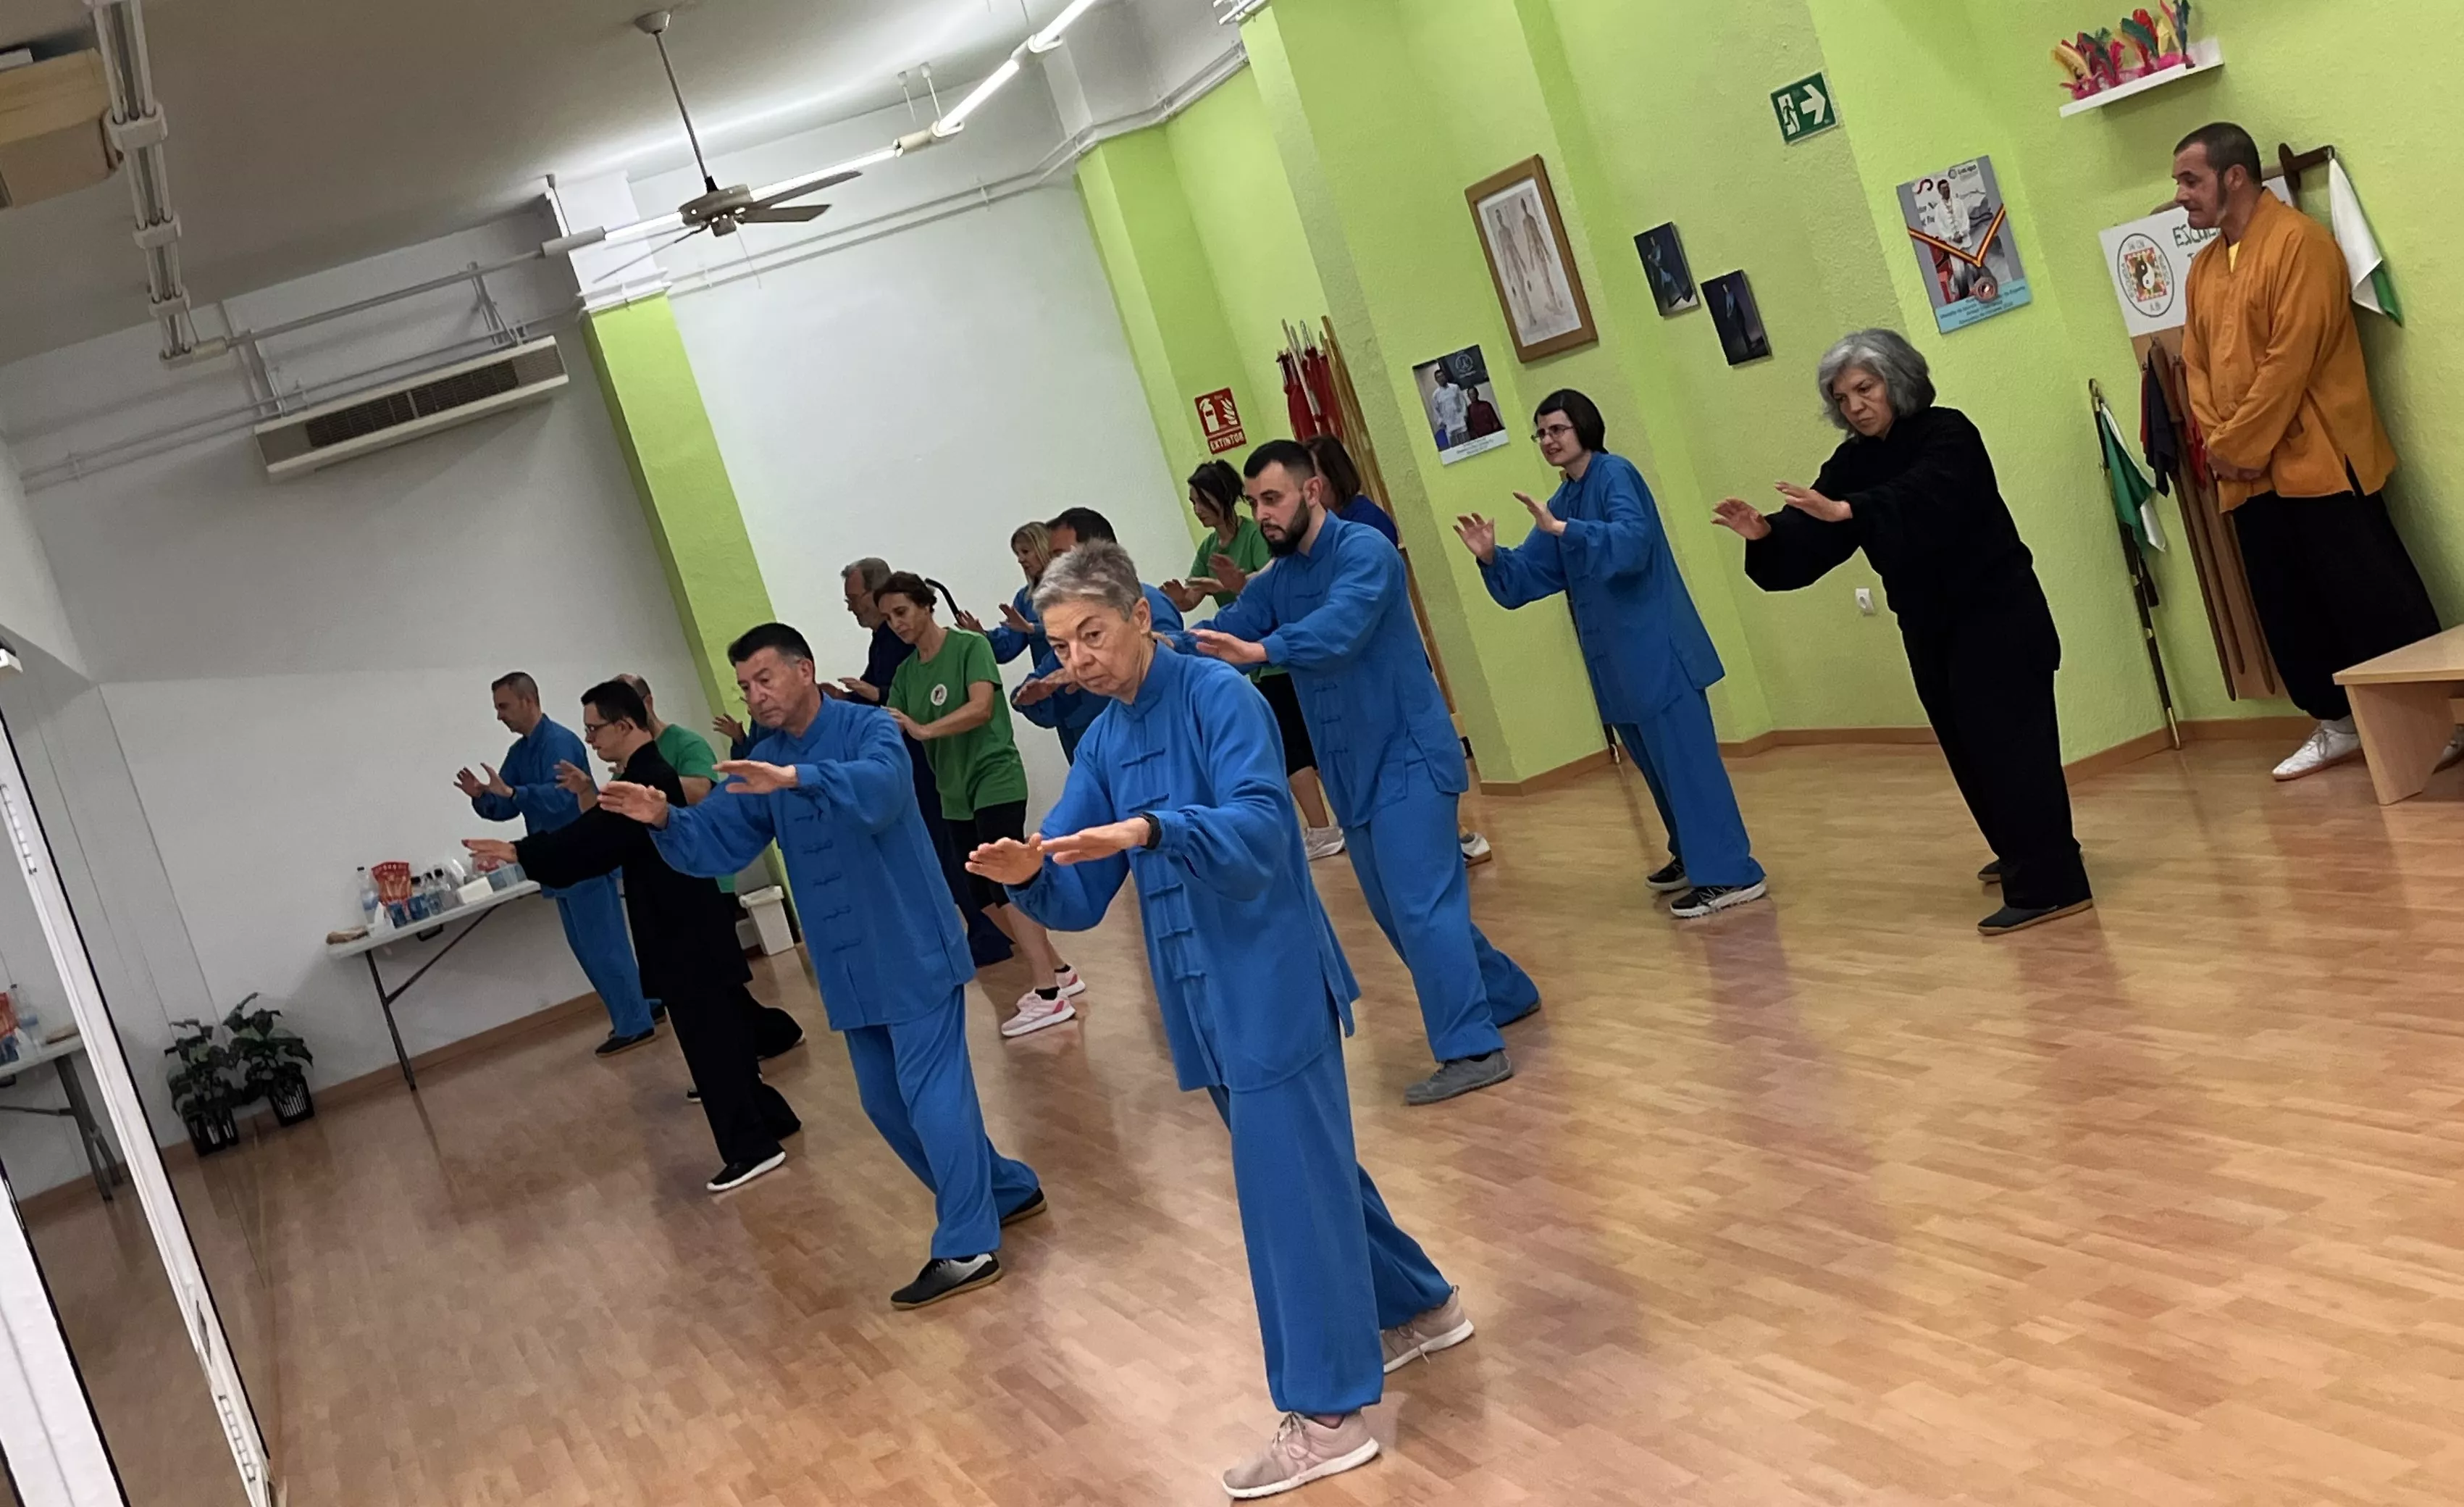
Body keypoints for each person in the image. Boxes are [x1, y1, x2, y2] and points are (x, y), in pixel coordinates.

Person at [966, 540, 1473, 1499]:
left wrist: (1157, 828)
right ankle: (1423, 1307)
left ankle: (1327, 1417)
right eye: (1062, 645)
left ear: (1140, 616)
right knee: (1308, 1174)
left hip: (1271, 984)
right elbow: (1080, 888)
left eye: (1092, 634)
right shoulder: (1105, 741)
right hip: (1201, 1002)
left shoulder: (1221, 700)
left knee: (1286, 1200)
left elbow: (1260, 830)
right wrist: (1031, 871)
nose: (1078, 659)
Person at [601, 623, 1045, 1310]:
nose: (755, 696)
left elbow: (882, 792)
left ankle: (968, 1243)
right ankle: (1007, 1189)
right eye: (745, 687)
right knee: (883, 1101)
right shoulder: (764, 758)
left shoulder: (869, 729)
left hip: (910, 944)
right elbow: (721, 839)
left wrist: (799, 778)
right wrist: (664, 820)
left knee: (933, 1094)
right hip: (847, 962)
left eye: (764, 679)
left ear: (804, 670)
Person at [1187, 439, 1538, 1105]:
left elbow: (1339, 629)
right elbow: (1226, 626)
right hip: (1354, 772)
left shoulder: (1365, 552)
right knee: (1401, 913)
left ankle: (1473, 1048)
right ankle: (1504, 992)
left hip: (1410, 758)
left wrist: (1260, 650)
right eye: (1254, 502)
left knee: (1421, 908)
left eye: (1272, 499)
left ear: (1311, 491)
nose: (1262, 515)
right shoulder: (1281, 579)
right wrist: (1147, 647)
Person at [1712, 330, 2094, 935]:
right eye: (1842, 398)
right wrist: (1767, 536)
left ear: (1898, 380)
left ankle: (2053, 884)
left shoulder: (1949, 432)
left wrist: (1853, 511)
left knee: (2013, 748)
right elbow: (1819, 526)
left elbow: (1930, 496)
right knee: (1968, 747)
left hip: (1996, 616)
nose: (1855, 406)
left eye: (1865, 388)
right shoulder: (1854, 461)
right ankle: (2025, 851)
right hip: (1927, 625)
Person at [2172, 121, 2455, 782]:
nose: (2181, 194)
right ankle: (2337, 723)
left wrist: (2238, 444)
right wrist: (2224, 446)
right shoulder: (2204, 268)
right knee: (2288, 605)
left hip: (2322, 460)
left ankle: (2442, 720)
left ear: (2234, 176)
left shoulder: (2301, 243)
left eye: (2190, 179)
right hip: (2249, 475)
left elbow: (2290, 362)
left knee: (2372, 595)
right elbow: (2196, 367)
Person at [468, 680, 800, 1192]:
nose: (590, 739)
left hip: (682, 930)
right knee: (726, 1035)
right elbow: (595, 833)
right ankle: (771, 1120)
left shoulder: (648, 782)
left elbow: (592, 842)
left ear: (625, 725)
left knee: (710, 1044)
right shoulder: (639, 776)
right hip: (687, 925)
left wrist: (520, 853)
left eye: (595, 729)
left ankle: (752, 1148)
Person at [1455, 390, 1767, 918]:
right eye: (1541, 433)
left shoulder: (1615, 474)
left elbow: (1631, 542)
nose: (1548, 440)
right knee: (1658, 771)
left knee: (1689, 769)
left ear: (1584, 426)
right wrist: (1491, 558)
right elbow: (1532, 572)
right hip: (1617, 665)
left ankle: (1733, 873)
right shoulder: (1564, 499)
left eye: (1557, 429)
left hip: (1659, 653)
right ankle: (1693, 856)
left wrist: (1564, 530)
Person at [876, 572, 1086, 1038]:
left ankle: (1047, 993)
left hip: (995, 777)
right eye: (888, 618)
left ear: (926, 606)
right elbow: (894, 721)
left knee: (1005, 882)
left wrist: (925, 729)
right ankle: (1060, 970)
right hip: (954, 792)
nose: (896, 623)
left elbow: (981, 708)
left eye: (902, 612)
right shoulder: (906, 675)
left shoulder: (970, 647)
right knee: (978, 895)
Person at [611, 672, 807, 1086]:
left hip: (705, 878)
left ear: (646, 703)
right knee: (714, 988)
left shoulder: (683, 744)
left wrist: (649, 786)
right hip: (670, 882)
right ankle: (755, 1051)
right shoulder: (629, 765)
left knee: (716, 984)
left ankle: (741, 1066)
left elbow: (703, 791)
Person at [1306, 435, 1493, 867]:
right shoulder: (1324, 530)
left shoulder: (1367, 522)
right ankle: (1430, 844)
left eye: (1313, 475)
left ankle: (1454, 838)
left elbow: (1355, 595)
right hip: (1357, 672)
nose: (1308, 487)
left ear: (1333, 474)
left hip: (1392, 664)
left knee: (1418, 758)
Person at [456, 672, 658, 1055]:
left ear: (528, 701)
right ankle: (644, 1006)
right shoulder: (520, 753)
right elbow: (507, 803)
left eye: (504, 706)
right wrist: (482, 796)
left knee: (605, 947)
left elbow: (561, 798)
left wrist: (515, 793)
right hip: (555, 864)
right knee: (588, 948)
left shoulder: (561, 742)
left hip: (583, 858)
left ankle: (636, 1022)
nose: (499, 716)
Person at [1162, 459, 1346, 861]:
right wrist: (1178, 602)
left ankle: (1327, 827)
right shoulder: (1209, 548)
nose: (1197, 509)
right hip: (1254, 660)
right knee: (1294, 749)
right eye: (1192, 503)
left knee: (1305, 747)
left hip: (1279, 656)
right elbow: (1196, 599)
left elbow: (1266, 587)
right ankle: (1326, 826)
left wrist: (1233, 585)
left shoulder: (1257, 536)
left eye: (1201, 500)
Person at [960, 522, 1103, 761]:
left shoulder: (1074, 588)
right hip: (1057, 699)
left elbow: (1082, 628)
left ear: (1044, 547)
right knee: (1082, 766)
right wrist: (982, 636)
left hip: (1089, 690)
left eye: (1026, 552)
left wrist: (1033, 629)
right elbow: (1008, 646)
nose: (1021, 560)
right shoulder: (1026, 599)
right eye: (1017, 554)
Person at [1043, 506, 1189, 635]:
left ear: (1095, 552)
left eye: (1060, 555)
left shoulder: (1151, 602)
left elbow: (1171, 652)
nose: (1051, 567)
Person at [1428, 366, 1470, 450]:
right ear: (1436, 380)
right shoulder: (1436, 395)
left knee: (1467, 446)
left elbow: (1462, 402)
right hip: (1449, 426)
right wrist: (1442, 423)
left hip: (1461, 422)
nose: (1441, 379)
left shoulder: (1455, 388)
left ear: (1445, 376)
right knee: (1456, 449)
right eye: (1439, 377)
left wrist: (1464, 416)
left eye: (1442, 376)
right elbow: (1436, 411)